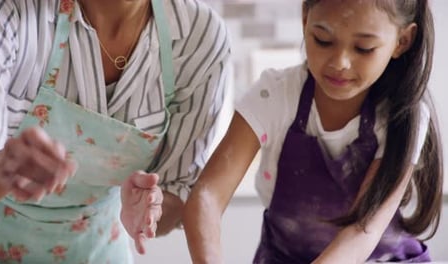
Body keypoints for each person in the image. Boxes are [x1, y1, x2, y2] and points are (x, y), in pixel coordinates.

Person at [0, 0, 231, 262]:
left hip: (96, 252)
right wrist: (1, 170)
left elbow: (176, 194)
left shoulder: (200, 39)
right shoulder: (7, 9)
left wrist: (152, 209)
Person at [183, 0, 444, 263]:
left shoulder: (403, 117)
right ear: (305, 19)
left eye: (363, 48)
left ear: (402, 41)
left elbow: (362, 230)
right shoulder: (274, 95)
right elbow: (208, 196)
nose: (340, 62)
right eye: (323, 40)